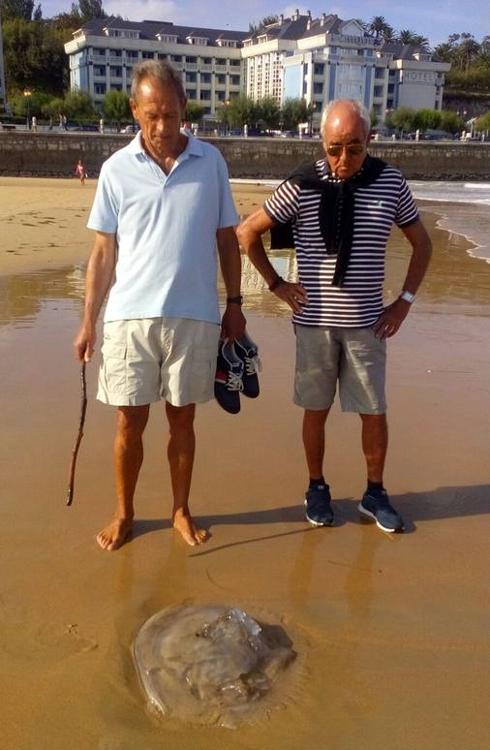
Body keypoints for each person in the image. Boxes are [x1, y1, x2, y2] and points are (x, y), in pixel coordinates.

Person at [237, 99, 432, 533]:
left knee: (374, 411)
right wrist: (277, 285)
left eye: (355, 148)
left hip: (368, 324)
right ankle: (317, 487)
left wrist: (403, 301)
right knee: (315, 409)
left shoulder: (391, 183)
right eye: (334, 148)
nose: (343, 159)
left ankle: (374, 493)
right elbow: (247, 232)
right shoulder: (301, 185)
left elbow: (423, 244)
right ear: (321, 142)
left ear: (371, 141)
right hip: (314, 326)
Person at [74, 60, 245, 550]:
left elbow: (226, 239)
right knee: (129, 421)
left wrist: (234, 303)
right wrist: (88, 322)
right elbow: (103, 252)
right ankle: (125, 512)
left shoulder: (211, 162)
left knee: (183, 420)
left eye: (172, 115)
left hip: (194, 316)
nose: (164, 127)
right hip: (128, 317)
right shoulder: (114, 170)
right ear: (134, 110)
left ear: (184, 109)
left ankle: (180, 509)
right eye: (152, 116)